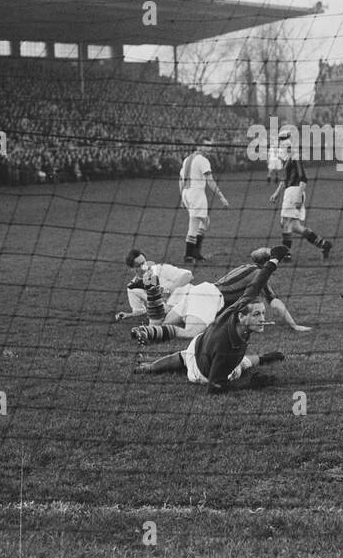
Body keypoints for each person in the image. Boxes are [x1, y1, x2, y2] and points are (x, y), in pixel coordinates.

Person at [133, 248, 291, 394]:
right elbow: (215, 386)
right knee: (231, 360)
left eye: (262, 313)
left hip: (200, 302)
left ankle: (149, 338)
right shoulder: (227, 346)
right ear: (241, 316)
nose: (263, 319)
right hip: (202, 369)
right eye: (257, 314)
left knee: (169, 331)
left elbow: (254, 289)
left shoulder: (233, 306)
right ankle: (150, 333)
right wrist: (251, 384)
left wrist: (274, 260)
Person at [129, 247, 312, 342]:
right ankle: (147, 328)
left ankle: (147, 324)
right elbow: (275, 302)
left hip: (200, 290)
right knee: (191, 333)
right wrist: (294, 325)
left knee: (163, 323)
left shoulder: (246, 267)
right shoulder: (259, 275)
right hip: (210, 297)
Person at [268, 134, 333, 259]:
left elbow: (303, 178)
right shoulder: (288, 160)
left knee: (286, 223)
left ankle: (286, 254)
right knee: (295, 227)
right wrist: (276, 193)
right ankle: (324, 244)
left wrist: (298, 196)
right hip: (290, 192)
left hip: (295, 192)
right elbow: (284, 179)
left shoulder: (296, 157)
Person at [179, 139, 229, 263]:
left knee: (205, 221)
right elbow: (210, 180)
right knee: (194, 224)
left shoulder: (187, 159)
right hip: (196, 193)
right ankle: (189, 256)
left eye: (211, 146)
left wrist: (182, 196)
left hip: (187, 193)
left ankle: (195, 253)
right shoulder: (203, 160)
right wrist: (221, 196)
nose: (210, 149)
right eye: (207, 146)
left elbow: (180, 179)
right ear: (199, 146)